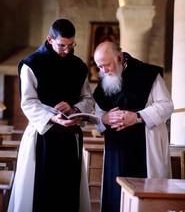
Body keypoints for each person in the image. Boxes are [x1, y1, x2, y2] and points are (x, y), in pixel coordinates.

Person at [8, 19, 94, 212]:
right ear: (49, 39)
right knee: (39, 194)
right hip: (42, 135)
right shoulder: (31, 64)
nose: (67, 50)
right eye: (62, 45)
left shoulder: (79, 66)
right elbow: (28, 102)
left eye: (71, 45)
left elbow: (87, 98)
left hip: (70, 137)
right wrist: (52, 117)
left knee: (68, 194)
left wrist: (74, 109)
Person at [93, 41, 174, 212]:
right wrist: (105, 119)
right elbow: (99, 116)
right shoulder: (104, 83)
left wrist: (136, 117)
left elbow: (166, 105)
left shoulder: (148, 74)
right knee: (115, 197)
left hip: (145, 145)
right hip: (115, 150)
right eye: (99, 67)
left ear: (120, 57)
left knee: (144, 198)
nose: (103, 71)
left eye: (106, 65)